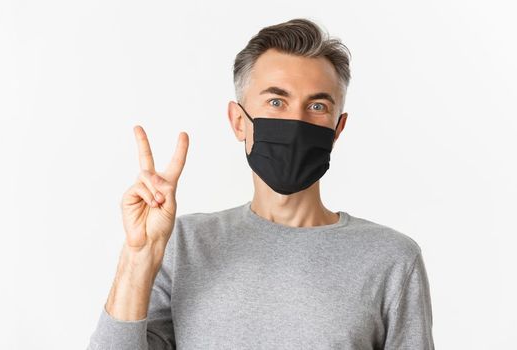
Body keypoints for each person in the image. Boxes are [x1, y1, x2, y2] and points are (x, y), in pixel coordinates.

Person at [87, 18, 434, 349]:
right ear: (239, 121)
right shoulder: (184, 245)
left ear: (337, 129)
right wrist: (138, 258)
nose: (296, 121)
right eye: (276, 102)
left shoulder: (391, 259)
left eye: (316, 105)